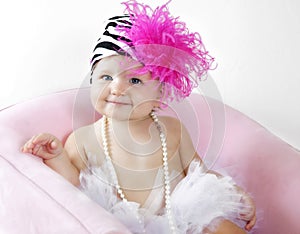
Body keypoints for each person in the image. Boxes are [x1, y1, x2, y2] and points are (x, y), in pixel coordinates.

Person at [21, 1, 256, 233]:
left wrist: (233, 192)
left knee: (221, 228)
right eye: (106, 77)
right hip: (124, 226)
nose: (117, 88)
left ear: (160, 93)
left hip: (186, 220)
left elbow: (200, 175)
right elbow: (73, 187)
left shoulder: (172, 130)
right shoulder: (82, 139)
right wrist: (57, 157)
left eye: (135, 80)